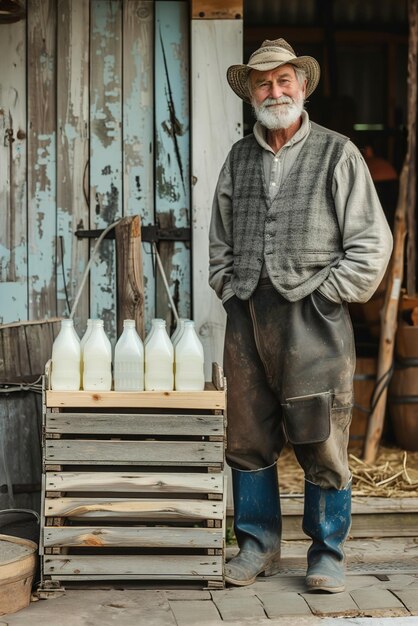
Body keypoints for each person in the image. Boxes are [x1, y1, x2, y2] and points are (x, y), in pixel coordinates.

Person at [208, 38, 393, 591]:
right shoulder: (239, 157)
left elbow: (371, 243)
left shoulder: (338, 153)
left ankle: (327, 552)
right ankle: (257, 546)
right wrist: (226, 283)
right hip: (247, 315)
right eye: (263, 83)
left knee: (321, 437)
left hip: (315, 315)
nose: (274, 90)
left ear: (302, 86)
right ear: (251, 94)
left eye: (284, 80)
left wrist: (327, 293)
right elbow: (218, 238)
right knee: (246, 435)